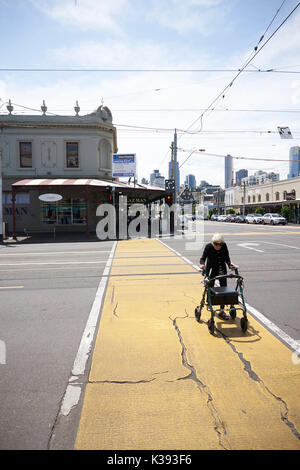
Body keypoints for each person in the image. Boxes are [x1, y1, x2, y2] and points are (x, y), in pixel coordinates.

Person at [199, 233, 235, 320]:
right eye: (216, 244)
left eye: (220, 245)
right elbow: (203, 258)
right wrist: (202, 264)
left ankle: (222, 310)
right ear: (213, 243)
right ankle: (209, 303)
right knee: (210, 287)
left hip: (221, 269)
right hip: (211, 270)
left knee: (223, 289)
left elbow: (227, 256)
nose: (218, 246)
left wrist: (229, 264)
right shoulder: (208, 246)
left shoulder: (224, 246)